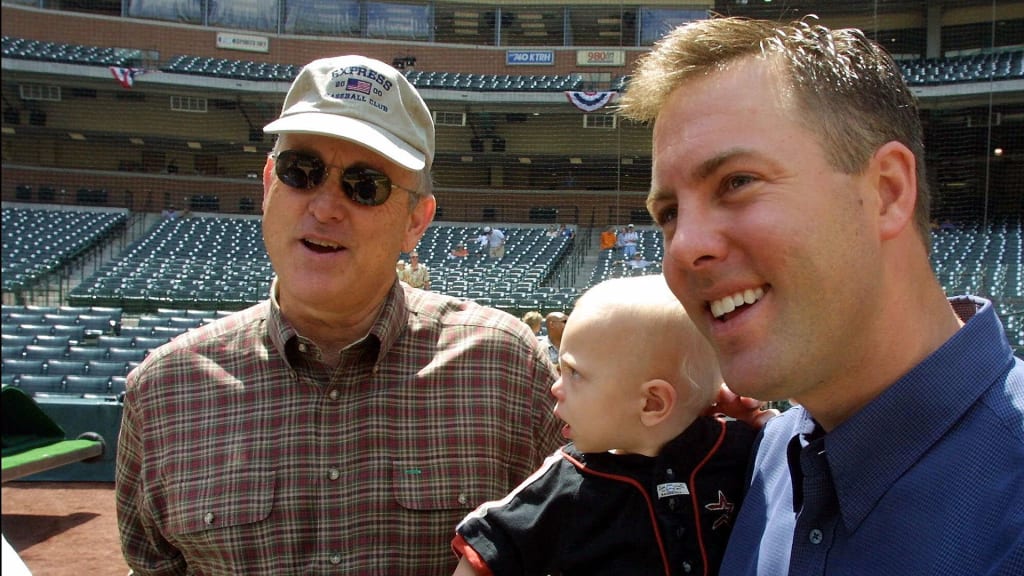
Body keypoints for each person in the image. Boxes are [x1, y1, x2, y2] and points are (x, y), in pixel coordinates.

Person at [116, 54, 565, 576]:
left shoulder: (507, 369)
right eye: (300, 172)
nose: (325, 206)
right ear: (268, 184)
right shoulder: (165, 390)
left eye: (365, 185)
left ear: (415, 221)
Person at [620, 16, 1024, 576]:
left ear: (886, 191)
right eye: (668, 215)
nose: (684, 246)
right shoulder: (762, 457)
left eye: (737, 182)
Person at [451, 275, 757, 576]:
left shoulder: (743, 448)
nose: (556, 388)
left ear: (652, 404)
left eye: (575, 374)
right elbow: (488, 546)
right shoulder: (568, 480)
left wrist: (762, 424)